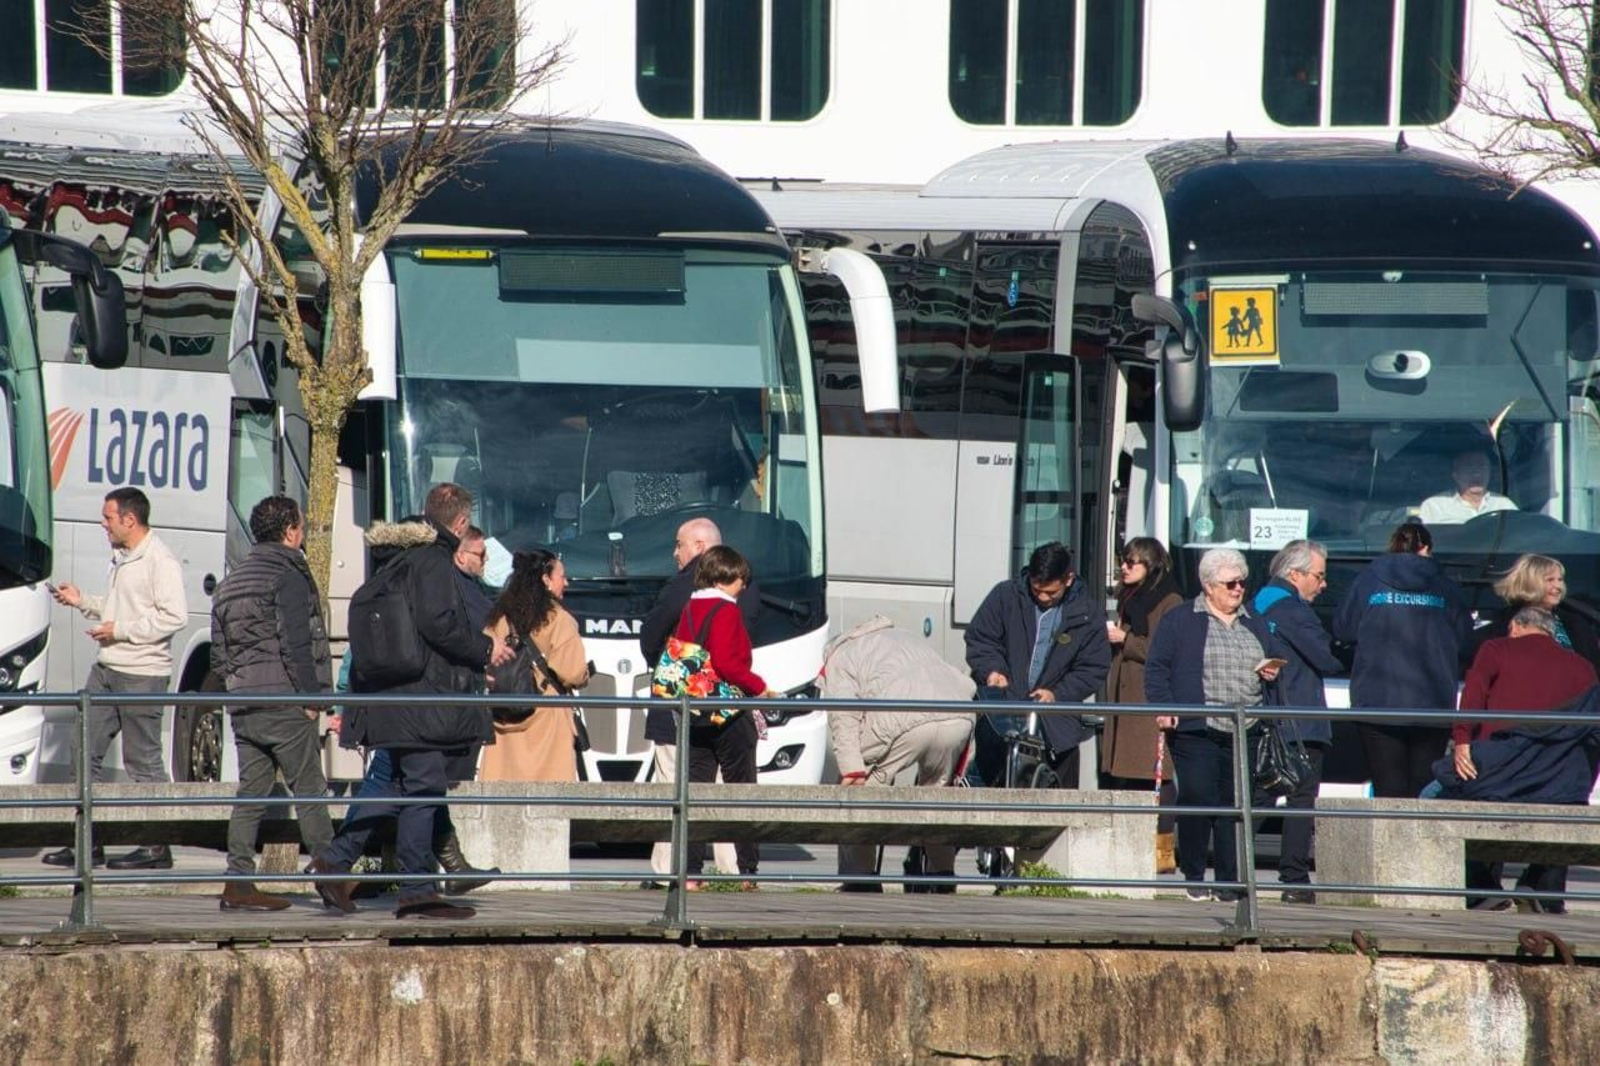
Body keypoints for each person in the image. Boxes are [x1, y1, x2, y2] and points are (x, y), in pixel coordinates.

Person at [308, 483, 514, 920]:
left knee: (392, 784)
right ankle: (417, 889)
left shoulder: (396, 557)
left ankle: (334, 863)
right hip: (422, 697)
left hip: (391, 694)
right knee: (424, 787)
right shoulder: (432, 560)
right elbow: (438, 625)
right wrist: (485, 649)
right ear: (461, 522)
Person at [44, 488, 187, 871]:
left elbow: (174, 616)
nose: (103, 524)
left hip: (142, 674)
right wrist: (83, 601)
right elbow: (120, 609)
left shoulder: (160, 560)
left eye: (108, 517)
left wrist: (119, 631)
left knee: (142, 759)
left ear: (130, 519)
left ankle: (156, 846)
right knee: (83, 748)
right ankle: (86, 843)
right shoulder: (123, 557)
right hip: (107, 668)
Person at [209, 496, 334, 911]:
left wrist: (237, 687)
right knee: (310, 790)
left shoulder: (230, 583)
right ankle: (333, 877)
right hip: (284, 701)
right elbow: (296, 642)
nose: (303, 533)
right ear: (290, 532)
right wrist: (312, 699)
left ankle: (238, 882)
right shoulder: (288, 574)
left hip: (245, 703)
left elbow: (219, 656)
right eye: (301, 526)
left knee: (251, 794)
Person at [1147, 548, 1285, 902]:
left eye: (1242, 582)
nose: (1239, 589)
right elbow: (1158, 667)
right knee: (1198, 797)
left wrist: (1270, 670)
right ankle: (1194, 873)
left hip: (1245, 727)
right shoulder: (1181, 619)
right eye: (1230, 583)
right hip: (1197, 726)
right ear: (1209, 586)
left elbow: (1271, 657)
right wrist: (1163, 707)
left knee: (1233, 805)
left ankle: (1228, 881)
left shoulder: (1253, 620)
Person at [1454, 606, 1597, 912]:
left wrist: (1462, 739)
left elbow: (1473, 694)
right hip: (1558, 780)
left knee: (1432, 798)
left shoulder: (1496, 649)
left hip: (1501, 774)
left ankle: (1483, 890)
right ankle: (1543, 892)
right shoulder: (1583, 667)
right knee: (1566, 806)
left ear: (1517, 626)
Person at [822, 615, 976, 892]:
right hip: (958, 716)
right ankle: (943, 876)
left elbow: (843, 713)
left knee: (861, 795)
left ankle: (860, 879)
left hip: (902, 721)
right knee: (936, 797)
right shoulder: (906, 637)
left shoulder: (840, 655)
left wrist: (852, 768)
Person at [639, 516, 753, 880]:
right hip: (729, 709)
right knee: (725, 791)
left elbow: (650, 639)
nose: (675, 553)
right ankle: (733, 872)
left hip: (682, 709)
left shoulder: (682, 588)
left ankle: (671, 874)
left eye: (680, 544)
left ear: (700, 547)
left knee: (676, 789)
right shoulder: (743, 587)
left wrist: (670, 663)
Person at [1334, 521, 1470, 798]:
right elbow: (1465, 640)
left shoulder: (1367, 581)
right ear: (1426, 548)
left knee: (1388, 789)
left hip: (1378, 701)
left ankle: (1389, 829)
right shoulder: (1446, 587)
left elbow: (1343, 629)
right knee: (1424, 790)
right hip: (1432, 704)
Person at [964, 542, 1111, 789]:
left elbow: (1093, 667)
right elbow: (981, 638)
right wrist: (993, 670)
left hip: (1057, 730)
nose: (1043, 597)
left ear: (1068, 580)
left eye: (1051, 593)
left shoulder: (1088, 613)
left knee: (1056, 798)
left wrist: (1058, 693)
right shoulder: (1005, 596)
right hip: (1002, 719)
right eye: (1036, 590)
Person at [676, 545, 775, 887]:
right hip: (728, 714)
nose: (743, 586)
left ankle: (690, 874)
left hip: (695, 710)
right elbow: (727, 664)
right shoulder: (726, 610)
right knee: (742, 792)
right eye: (740, 579)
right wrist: (760, 687)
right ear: (724, 577)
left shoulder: (690, 608)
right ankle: (747, 872)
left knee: (694, 793)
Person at [1251, 539, 1344, 904]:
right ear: (1294, 574)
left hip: (1267, 714)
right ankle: (1295, 878)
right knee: (1300, 798)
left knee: (1260, 794)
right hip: (1300, 718)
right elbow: (1327, 656)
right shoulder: (1292, 609)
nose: (1323, 585)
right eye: (1318, 576)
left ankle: (1232, 867)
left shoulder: (1255, 603)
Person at [1100, 537, 1182, 873]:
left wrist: (1126, 640)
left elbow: (1165, 650)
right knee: (1128, 775)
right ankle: (1130, 848)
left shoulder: (1169, 600)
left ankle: (1162, 853)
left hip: (1149, 697)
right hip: (1126, 697)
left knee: (1157, 774)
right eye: (1122, 560)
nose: (1124, 567)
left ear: (1151, 566)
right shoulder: (1130, 597)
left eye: (1132, 562)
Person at [479, 549, 591, 781]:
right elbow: (572, 673)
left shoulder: (499, 618)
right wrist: (585, 675)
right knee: (550, 791)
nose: (566, 583)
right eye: (562, 576)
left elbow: (484, 658)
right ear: (546, 579)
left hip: (503, 716)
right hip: (548, 719)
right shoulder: (559, 620)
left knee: (505, 786)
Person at [1471, 554, 1600, 672]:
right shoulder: (1499, 628)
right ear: (1529, 583)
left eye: (1560, 579)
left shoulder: (1576, 624)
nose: (1558, 586)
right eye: (1550, 580)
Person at [1418, 451, 1516, 525]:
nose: (1476, 473)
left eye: (1482, 466)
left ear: (1489, 473)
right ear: (1456, 475)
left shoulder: (1504, 504)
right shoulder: (1434, 506)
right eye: (1469, 467)